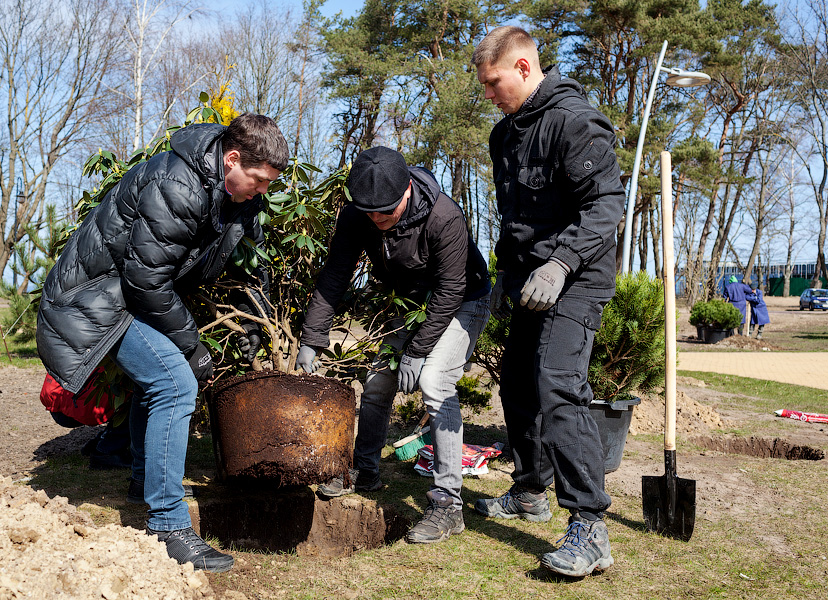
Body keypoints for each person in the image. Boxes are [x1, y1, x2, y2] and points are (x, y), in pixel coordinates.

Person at [36, 114, 288, 572]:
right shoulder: (180, 182)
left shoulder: (236, 194)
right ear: (232, 159)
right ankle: (168, 528)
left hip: (126, 296)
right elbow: (147, 281)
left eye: (268, 183)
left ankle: (142, 482)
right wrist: (193, 346)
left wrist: (259, 322)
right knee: (175, 381)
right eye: (258, 180)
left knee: (156, 379)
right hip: (94, 298)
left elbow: (250, 265)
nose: (262, 191)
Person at [471, 26, 625, 577]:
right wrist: (502, 279)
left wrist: (560, 264)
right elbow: (517, 219)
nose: (488, 95)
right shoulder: (504, 135)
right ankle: (531, 489)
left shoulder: (574, 121)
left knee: (560, 386)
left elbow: (607, 206)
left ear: (522, 68)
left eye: (493, 83)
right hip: (527, 281)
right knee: (516, 381)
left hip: (576, 276)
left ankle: (590, 527)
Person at [295, 146, 491, 544]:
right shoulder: (359, 215)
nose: (377, 221)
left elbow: (452, 289)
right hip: (413, 301)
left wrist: (417, 352)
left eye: (386, 212)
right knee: (378, 380)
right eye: (370, 213)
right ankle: (365, 471)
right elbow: (335, 275)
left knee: (435, 381)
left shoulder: (444, 216)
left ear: (406, 191)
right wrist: (312, 338)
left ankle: (448, 505)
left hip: (464, 298)